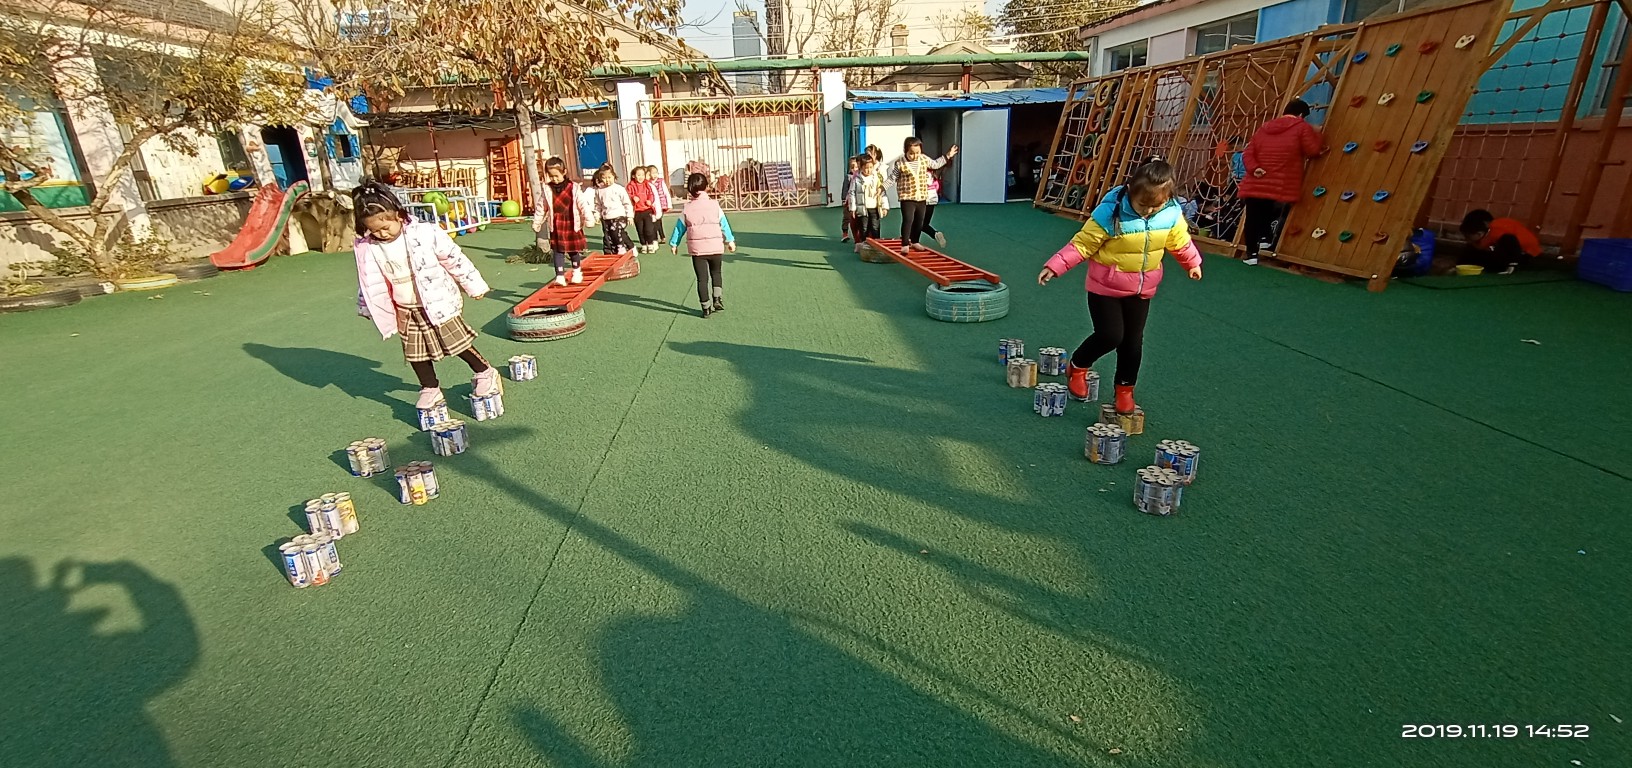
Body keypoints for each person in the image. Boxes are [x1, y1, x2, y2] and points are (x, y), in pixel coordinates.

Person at [1036, 157, 1203, 416]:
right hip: (1105, 287)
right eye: (1143, 205)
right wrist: (1056, 266)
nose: (1148, 211)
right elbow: (1083, 244)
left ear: (1168, 198)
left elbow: (1180, 242)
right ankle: (1078, 365)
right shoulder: (1111, 212)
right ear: (1130, 191)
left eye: (1155, 206)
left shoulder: (1170, 214)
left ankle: (1125, 389)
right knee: (1111, 335)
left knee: (1133, 343)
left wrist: (1192, 263)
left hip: (1141, 289)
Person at [352, 180, 499, 410]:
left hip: (437, 301)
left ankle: (485, 372)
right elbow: (368, 280)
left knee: (457, 343)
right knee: (416, 353)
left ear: (398, 215)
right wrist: (366, 306)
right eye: (374, 230)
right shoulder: (368, 247)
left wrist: (474, 285)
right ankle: (430, 388)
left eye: (385, 227)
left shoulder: (424, 233)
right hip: (405, 307)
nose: (381, 233)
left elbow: (453, 258)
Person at [1237, 99, 1322, 265]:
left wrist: (1255, 168)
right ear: (1301, 114)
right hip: (1280, 181)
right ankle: (1266, 238)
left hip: (1257, 179)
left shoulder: (1264, 128)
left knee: (1253, 216)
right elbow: (1313, 150)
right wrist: (1317, 133)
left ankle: (1251, 254)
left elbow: (1248, 153)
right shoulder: (1302, 127)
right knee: (1271, 210)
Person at [669, 172, 737, 318]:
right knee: (716, 273)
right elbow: (724, 224)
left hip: (698, 251)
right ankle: (717, 298)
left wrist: (674, 243)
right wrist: (730, 240)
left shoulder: (687, 208)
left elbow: (679, 228)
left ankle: (706, 308)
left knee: (702, 279)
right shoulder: (715, 205)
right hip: (715, 247)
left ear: (690, 189)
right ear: (706, 187)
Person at [532, 156, 598, 287]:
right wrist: (537, 221)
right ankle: (560, 276)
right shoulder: (547, 189)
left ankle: (577, 271)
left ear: (564, 172)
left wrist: (589, 218)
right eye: (551, 176)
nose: (554, 179)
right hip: (557, 223)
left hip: (572, 222)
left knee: (573, 250)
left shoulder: (573, 188)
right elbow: (541, 207)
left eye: (557, 176)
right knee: (558, 251)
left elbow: (582, 204)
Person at [892, 137, 958, 252]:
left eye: (917, 152)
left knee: (919, 221)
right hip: (907, 197)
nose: (915, 156)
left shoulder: (923, 159)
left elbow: (935, 164)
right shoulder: (900, 163)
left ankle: (915, 241)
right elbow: (892, 177)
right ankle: (905, 244)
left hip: (921, 197)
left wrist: (948, 155)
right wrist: (882, 188)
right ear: (905, 151)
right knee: (908, 220)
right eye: (911, 153)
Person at [1459, 209, 1542, 274]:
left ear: (1479, 233)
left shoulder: (1498, 232)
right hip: (1509, 251)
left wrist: (1512, 265)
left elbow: (1512, 245)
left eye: (1467, 237)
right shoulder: (1484, 233)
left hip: (1526, 255)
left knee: (1496, 258)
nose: (1466, 239)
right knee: (1472, 252)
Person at [592, 166, 635, 257]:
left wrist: (630, 216)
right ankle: (630, 247)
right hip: (607, 217)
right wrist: (597, 215)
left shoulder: (619, 189)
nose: (607, 180)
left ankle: (621, 248)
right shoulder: (599, 190)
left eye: (609, 177)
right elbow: (598, 204)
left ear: (614, 176)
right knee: (611, 235)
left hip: (619, 215)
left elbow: (627, 203)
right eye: (604, 178)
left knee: (615, 231)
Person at [849, 155, 888, 252]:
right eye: (866, 168)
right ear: (861, 167)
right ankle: (864, 246)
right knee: (864, 227)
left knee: (875, 227)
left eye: (871, 167)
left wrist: (884, 207)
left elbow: (882, 192)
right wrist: (852, 208)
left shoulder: (876, 178)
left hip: (874, 207)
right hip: (862, 208)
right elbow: (852, 193)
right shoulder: (856, 179)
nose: (868, 170)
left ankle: (877, 246)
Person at [627, 166, 660, 254]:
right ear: (634, 176)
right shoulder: (630, 185)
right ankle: (643, 245)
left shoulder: (647, 184)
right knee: (640, 230)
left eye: (642, 175)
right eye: (638, 175)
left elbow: (651, 194)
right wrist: (633, 197)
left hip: (647, 210)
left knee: (649, 229)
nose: (641, 177)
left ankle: (650, 244)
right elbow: (627, 195)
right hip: (637, 211)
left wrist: (650, 200)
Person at [918, 169, 947, 248]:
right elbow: (937, 187)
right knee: (924, 224)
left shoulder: (922, 173)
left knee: (917, 222)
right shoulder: (934, 177)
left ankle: (911, 239)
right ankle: (936, 234)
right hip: (932, 200)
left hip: (923, 199)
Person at [645, 165, 671, 246]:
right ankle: (658, 237)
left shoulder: (660, 181)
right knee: (655, 221)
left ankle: (659, 237)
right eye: (652, 173)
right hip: (653, 205)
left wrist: (669, 205)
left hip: (661, 204)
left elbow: (666, 193)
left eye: (656, 173)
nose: (655, 175)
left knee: (658, 221)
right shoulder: (648, 183)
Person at [839, 155, 860, 243]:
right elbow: (845, 188)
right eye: (852, 167)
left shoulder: (860, 177)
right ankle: (845, 233)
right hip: (848, 200)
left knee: (857, 218)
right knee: (846, 217)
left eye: (856, 167)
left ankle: (858, 235)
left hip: (857, 200)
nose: (854, 169)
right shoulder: (848, 177)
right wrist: (844, 199)